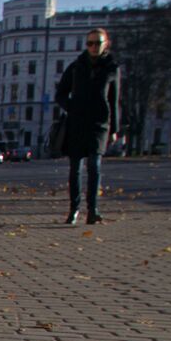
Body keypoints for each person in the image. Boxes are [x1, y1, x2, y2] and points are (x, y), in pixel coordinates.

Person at [56, 27, 119, 224]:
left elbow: (115, 100)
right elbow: (60, 94)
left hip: (99, 124)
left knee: (94, 165)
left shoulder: (112, 69)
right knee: (75, 168)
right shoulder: (76, 67)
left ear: (105, 44)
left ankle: (93, 210)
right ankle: (74, 209)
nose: (93, 47)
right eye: (90, 43)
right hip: (77, 122)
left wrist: (114, 128)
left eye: (97, 43)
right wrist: (71, 107)